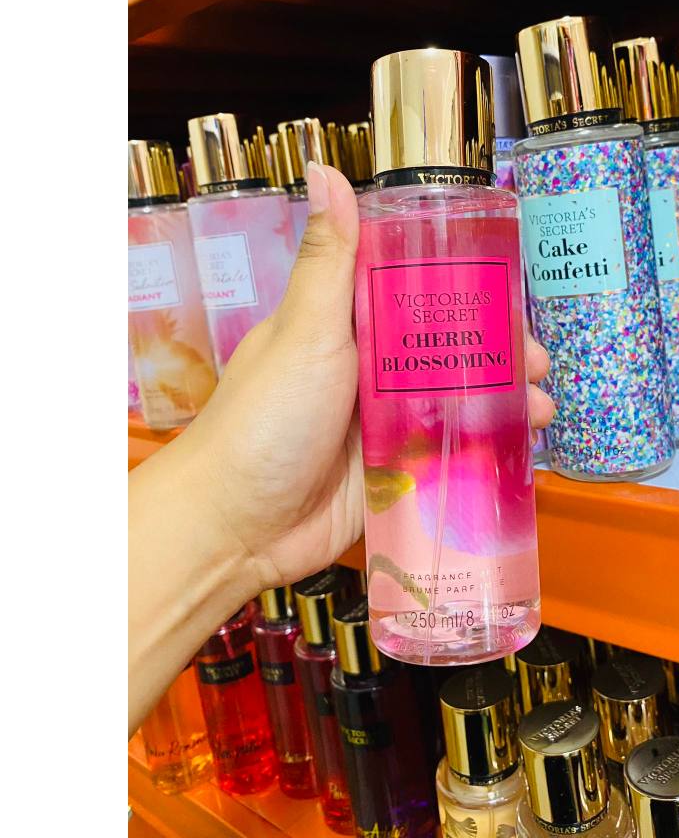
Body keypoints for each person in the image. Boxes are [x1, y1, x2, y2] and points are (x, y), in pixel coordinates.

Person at [128, 163, 555, 734]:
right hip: (390, 494)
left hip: (489, 566)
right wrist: (227, 517)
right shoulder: (382, 214)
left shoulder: (493, 207)